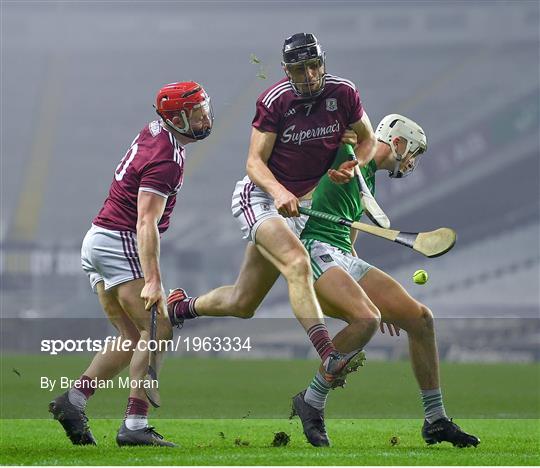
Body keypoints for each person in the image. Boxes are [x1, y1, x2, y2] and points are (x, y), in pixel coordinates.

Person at [168, 32, 378, 385]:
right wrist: (279, 192)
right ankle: (329, 356)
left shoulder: (344, 93)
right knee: (296, 262)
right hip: (262, 198)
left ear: (323, 63)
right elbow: (254, 162)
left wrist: (355, 164)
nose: (309, 75)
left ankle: (180, 307)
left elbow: (369, 139)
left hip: (302, 206)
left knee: (242, 303)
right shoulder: (275, 101)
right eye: (299, 69)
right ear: (286, 70)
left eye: (314, 66)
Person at [290, 114, 480, 448]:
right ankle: (311, 401)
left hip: (342, 255)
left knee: (420, 319)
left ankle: (435, 420)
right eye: (414, 152)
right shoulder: (346, 150)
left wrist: (366, 292)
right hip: (314, 249)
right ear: (399, 142)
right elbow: (314, 150)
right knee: (365, 319)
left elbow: (348, 235)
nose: (412, 162)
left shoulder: (369, 181)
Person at [48, 81, 214, 447]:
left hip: (97, 238)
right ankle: (135, 426)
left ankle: (73, 401)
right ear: (178, 118)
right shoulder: (167, 158)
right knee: (159, 328)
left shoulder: (156, 130)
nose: (205, 115)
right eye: (197, 111)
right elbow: (145, 221)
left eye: (205, 106)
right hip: (120, 239)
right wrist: (153, 280)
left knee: (131, 335)